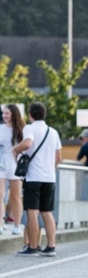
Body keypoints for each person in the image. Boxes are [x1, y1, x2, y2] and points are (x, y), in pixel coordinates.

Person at [14, 102, 62, 256]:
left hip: (33, 177)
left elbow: (27, 143)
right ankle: (51, 247)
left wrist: (15, 150)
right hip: (50, 178)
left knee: (32, 212)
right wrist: (49, 168)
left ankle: (33, 246)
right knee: (47, 212)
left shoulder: (30, 128)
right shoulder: (53, 132)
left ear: (30, 115)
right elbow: (59, 157)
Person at [0, 104, 25, 235]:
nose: (4, 116)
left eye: (7, 113)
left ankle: (17, 225)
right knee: (0, 195)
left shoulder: (21, 130)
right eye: (3, 113)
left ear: (13, 114)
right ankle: (0, 224)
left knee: (15, 197)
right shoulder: (0, 128)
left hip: (15, 165)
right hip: (1, 165)